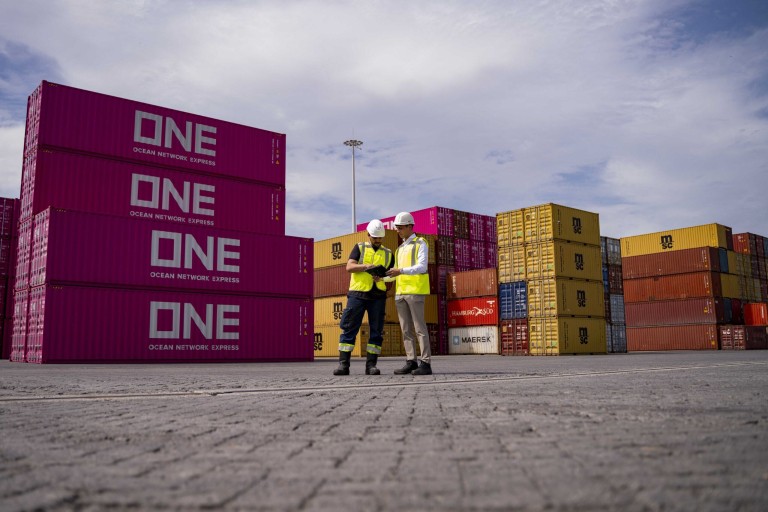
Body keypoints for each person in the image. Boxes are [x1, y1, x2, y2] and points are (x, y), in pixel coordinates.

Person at [333, 219, 395, 376]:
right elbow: (349, 267)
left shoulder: (388, 253)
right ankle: (343, 365)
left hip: (378, 296)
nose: (378, 241)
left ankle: (371, 366)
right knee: (349, 328)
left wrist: (382, 278)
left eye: (380, 238)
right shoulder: (359, 247)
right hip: (358, 294)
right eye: (375, 238)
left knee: (376, 331)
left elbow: (392, 276)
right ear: (368, 235)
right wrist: (367, 267)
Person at [386, 212, 432, 375]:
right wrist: (381, 279)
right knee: (406, 330)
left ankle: (425, 363)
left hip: (415, 291)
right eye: (397, 228)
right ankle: (411, 361)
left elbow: (422, 267)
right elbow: (395, 275)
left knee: (419, 328)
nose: (398, 230)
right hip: (400, 293)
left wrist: (401, 270)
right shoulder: (399, 249)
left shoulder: (421, 243)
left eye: (400, 228)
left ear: (410, 226)